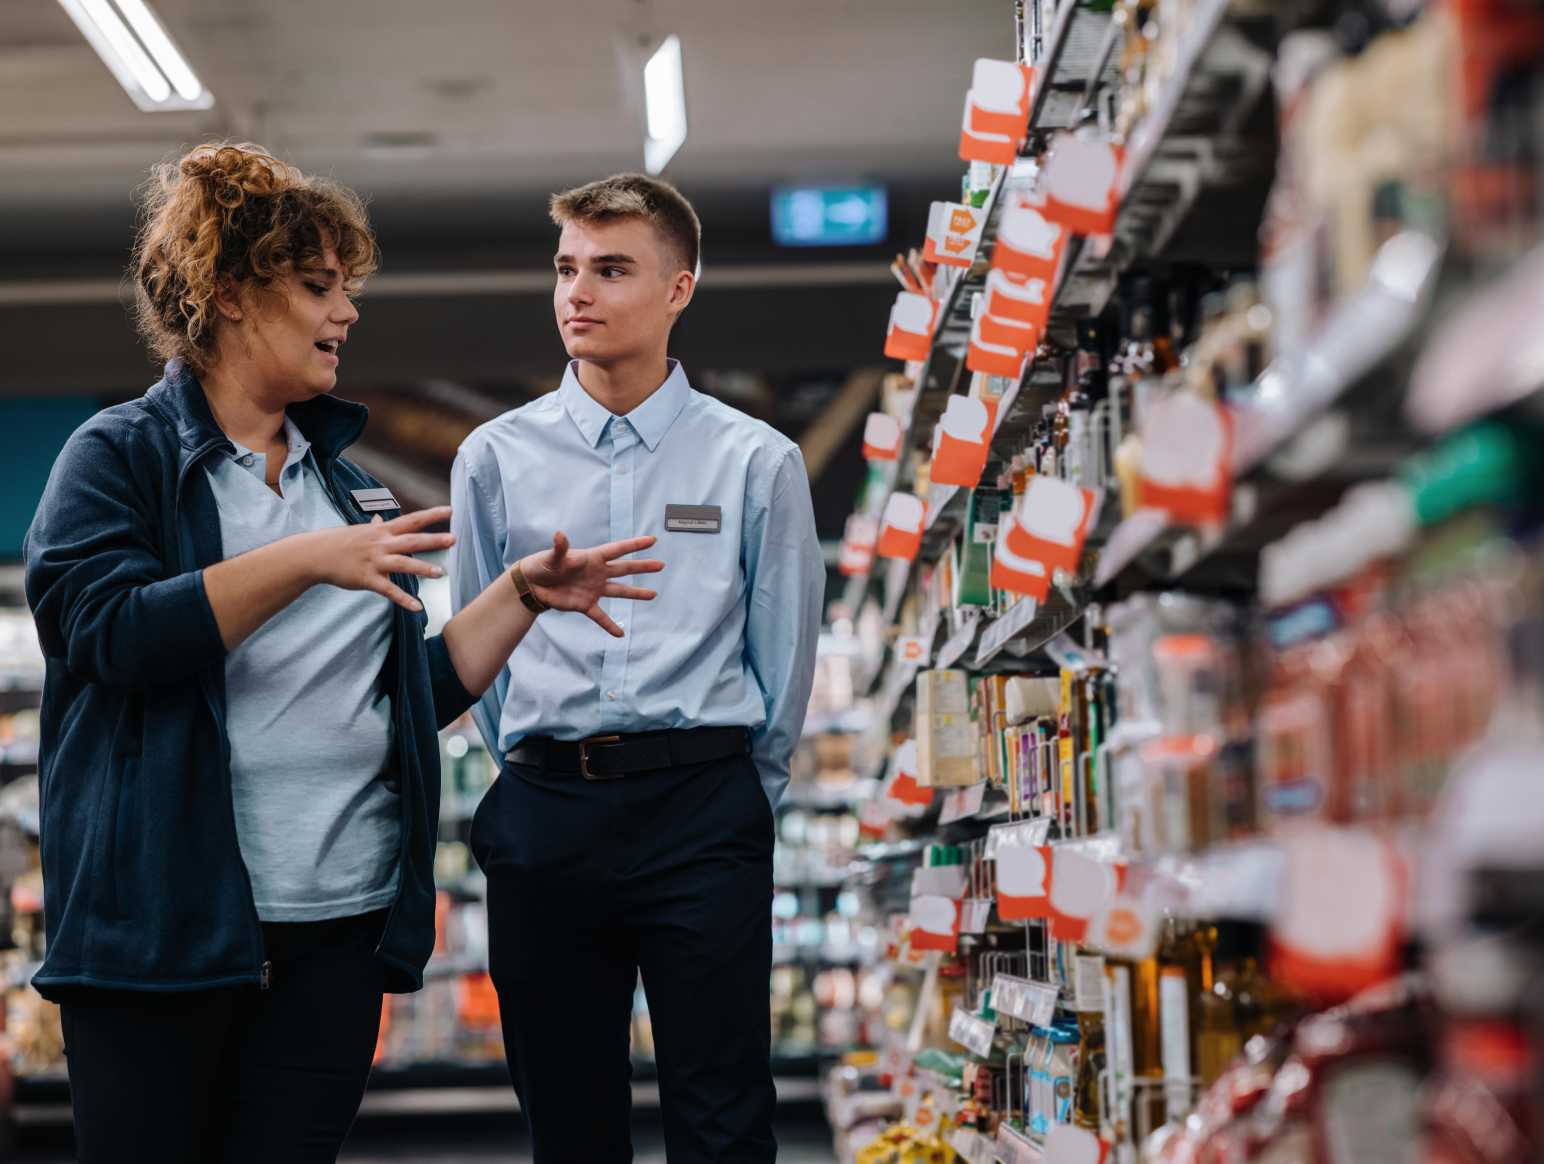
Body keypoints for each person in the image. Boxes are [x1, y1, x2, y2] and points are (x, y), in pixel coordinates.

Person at [22, 142, 663, 1164]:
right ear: (229, 295)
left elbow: (397, 698)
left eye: (346, 288)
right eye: (319, 287)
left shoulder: (345, 486)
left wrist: (518, 599)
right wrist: (303, 561)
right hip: (165, 933)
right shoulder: (121, 457)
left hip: (336, 931)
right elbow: (103, 633)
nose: (347, 313)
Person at [449, 172, 824, 1163]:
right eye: (567, 268)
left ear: (678, 289)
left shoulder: (755, 462)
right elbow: (473, 652)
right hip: (544, 811)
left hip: (701, 809)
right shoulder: (493, 458)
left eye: (611, 269)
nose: (579, 292)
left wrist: (740, 797)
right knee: (567, 1123)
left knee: (724, 1116)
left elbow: (782, 663)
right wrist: (534, 770)